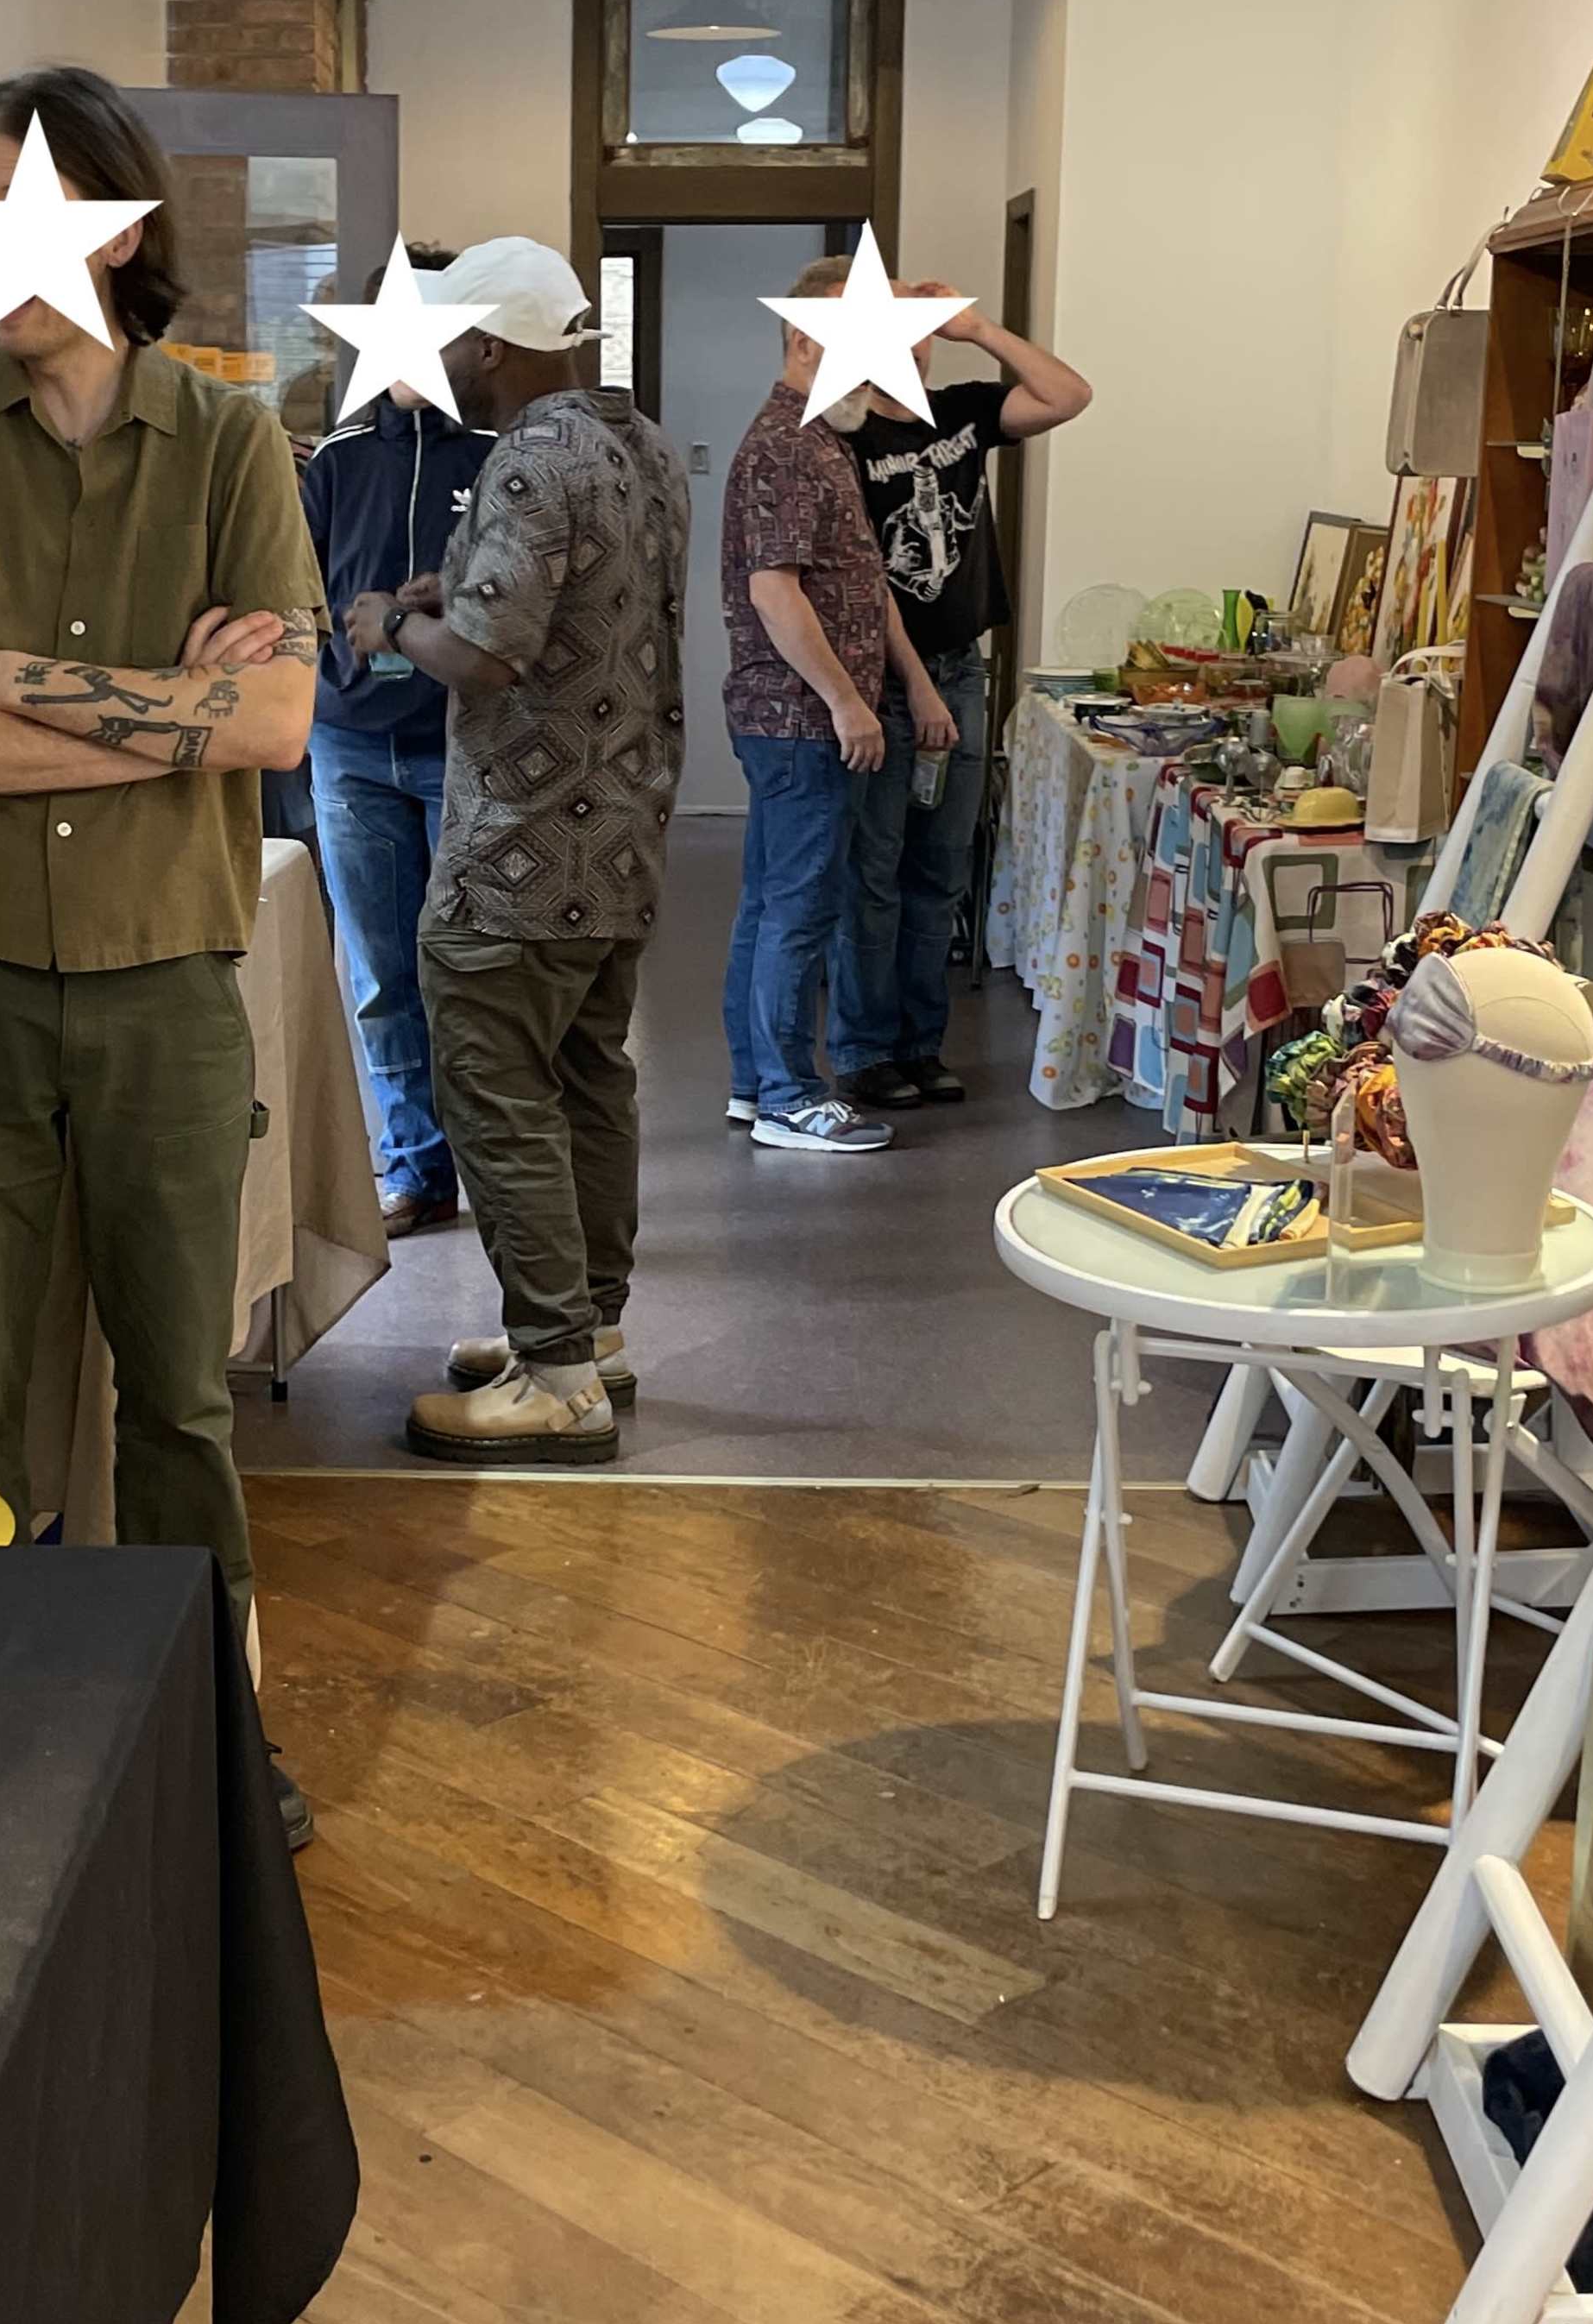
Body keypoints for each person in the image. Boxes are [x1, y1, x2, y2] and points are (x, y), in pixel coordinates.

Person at [0, 65, 326, 1842]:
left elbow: (275, 725)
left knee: (178, 1396)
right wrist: (165, 712)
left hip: (170, 974)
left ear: (117, 227)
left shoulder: (231, 441)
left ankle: (209, 1737)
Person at [343, 240, 689, 1464]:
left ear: (489, 343)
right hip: (624, 836)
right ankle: (591, 1332)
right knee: (590, 1081)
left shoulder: (530, 456)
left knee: (494, 1095)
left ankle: (553, 1375)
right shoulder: (640, 446)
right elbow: (583, 603)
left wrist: (387, 624)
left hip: (519, 852)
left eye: (447, 340)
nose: (436, 362)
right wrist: (461, 586)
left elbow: (488, 660)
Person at [829, 285, 1094, 1107]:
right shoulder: (844, 438)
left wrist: (980, 329)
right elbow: (864, 580)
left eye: (918, 333)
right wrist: (914, 687)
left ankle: (921, 1044)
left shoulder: (961, 413)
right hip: (883, 680)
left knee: (940, 871)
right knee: (874, 873)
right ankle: (865, 1049)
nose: (911, 346)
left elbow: (1068, 395)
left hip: (962, 670)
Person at [720, 250, 957, 1156]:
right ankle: (788, 1096)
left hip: (802, 718)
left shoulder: (822, 440)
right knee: (799, 909)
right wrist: (847, 703)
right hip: (800, 721)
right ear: (807, 339)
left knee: (772, 904)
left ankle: (758, 1085)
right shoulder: (787, 445)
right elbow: (776, 590)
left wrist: (904, 684)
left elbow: (857, 583)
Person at [301, 243, 484, 1238]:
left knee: (469, 966)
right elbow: (296, 591)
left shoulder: (495, 455)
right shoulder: (335, 459)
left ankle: (494, 1161)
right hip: (351, 748)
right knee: (380, 973)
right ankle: (415, 1166)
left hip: (468, 745)